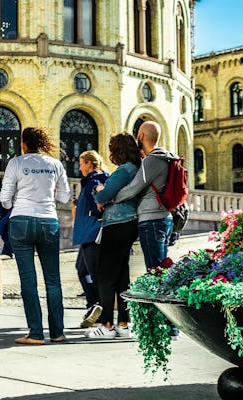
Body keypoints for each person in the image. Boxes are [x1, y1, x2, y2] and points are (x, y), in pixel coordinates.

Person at [0, 127, 71, 345]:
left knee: (28, 280)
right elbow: (65, 197)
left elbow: (4, 198)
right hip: (48, 220)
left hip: (21, 220)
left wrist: (15, 204)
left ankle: (36, 333)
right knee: (53, 279)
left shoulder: (17, 163)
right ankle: (57, 332)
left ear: (24, 144)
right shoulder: (55, 164)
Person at [86, 133, 142, 339]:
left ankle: (107, 326)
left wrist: (100, 189)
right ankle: (124, 324)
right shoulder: (136, 169)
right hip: (128, 224)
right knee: (121, 276)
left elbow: (102, 196)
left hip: (116, 224)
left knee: (105, 276)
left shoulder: (124, 170)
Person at [115, 121, 178, 270]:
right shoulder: (165, 158)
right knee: (162, 269)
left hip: (152, 220)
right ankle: (165, 292)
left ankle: (159, 294)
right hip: (164, 217)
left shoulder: (153, 160)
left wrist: (112, 198)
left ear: (141, 136)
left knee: (154, 270)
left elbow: (133, 189)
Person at [73, 150, 109, 328]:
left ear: (89, 163)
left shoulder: (94, 179)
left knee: (94, 274)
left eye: (81, 164)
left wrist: (100, 201)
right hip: (88, 233)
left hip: (93, 233)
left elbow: (100, 191)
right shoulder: (102, 176)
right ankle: (94, 304)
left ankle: (100, 310)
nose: (79, 168)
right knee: (82, 269)